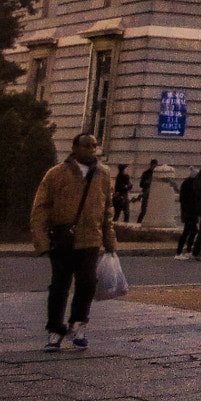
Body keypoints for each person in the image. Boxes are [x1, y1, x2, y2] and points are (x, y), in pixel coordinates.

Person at [30, 132, 118, 351]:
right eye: (86, 145)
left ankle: (78, 323)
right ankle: (55, 330)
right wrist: (41, 241)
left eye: (94, 146)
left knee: (87, 284)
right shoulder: (56, 174)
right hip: (62, 238)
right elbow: (40, 209)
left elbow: (107, 210)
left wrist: (110, 243)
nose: (91, 150)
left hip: (90, 239)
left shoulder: (104, 174)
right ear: (74, 147)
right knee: (59, 285)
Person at [136, 158, 159, 224]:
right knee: (144, 211)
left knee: (153, 211)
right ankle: (138, 223)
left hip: (154, 194)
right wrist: (147, 183)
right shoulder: (146, 173)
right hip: (146, 193)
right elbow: (141, 184)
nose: (154, 167)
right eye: (154, 165)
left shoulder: (157, 174)